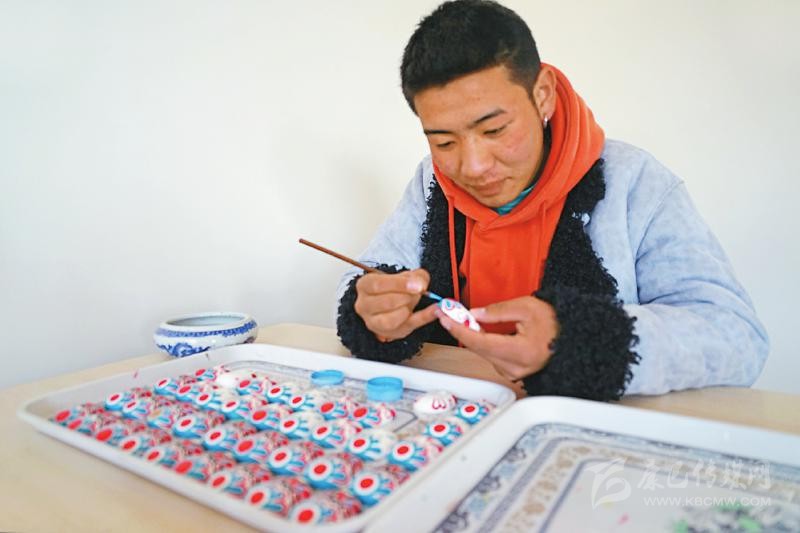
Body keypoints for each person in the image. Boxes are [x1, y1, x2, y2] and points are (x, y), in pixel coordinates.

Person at [335, 0, 768, 401]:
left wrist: (576, 339)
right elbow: (371, 277)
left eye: (494, 130)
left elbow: (736, 337)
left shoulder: (635, 182)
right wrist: (372, 309)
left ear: (541, 93)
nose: (473, 166)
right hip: (459, 419)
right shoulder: (432, 181)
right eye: (444, 141)